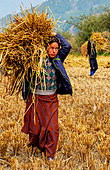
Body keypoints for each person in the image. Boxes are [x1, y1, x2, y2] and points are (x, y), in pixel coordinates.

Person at [21, 33, 72, 161]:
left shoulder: (58, 58)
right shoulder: (36, 58)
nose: (54, 51)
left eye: (56, 48)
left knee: (52, 127)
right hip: (35, 98)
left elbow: (67, 46)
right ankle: (37, 147)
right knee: (36, 126)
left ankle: (50, 153)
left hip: (51, 99)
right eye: (51, 48)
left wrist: (56, 35)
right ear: (46, 48)